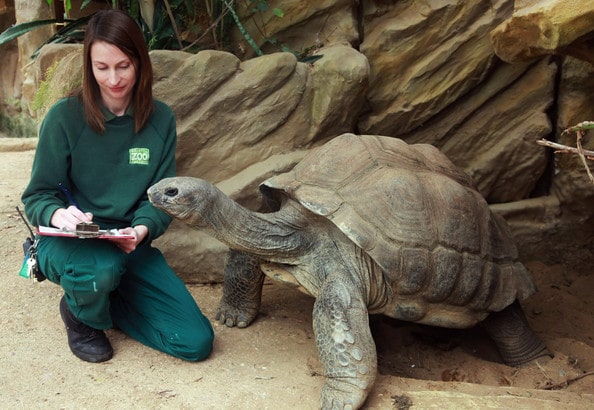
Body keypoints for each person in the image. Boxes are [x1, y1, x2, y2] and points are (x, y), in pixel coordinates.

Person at [21, 9, 214, 363]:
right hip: (72, 243)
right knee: (98, 270)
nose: (113, 79)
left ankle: (103, 299)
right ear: (89, 67)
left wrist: (141, 229)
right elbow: (37, 195)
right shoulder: (64, 117)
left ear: (140, 61)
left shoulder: (161, 119)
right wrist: (59, 213)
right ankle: (80, 316)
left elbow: (160, 196)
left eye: (123, 65)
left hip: (128, 243)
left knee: (195, 341)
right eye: (102, 67)